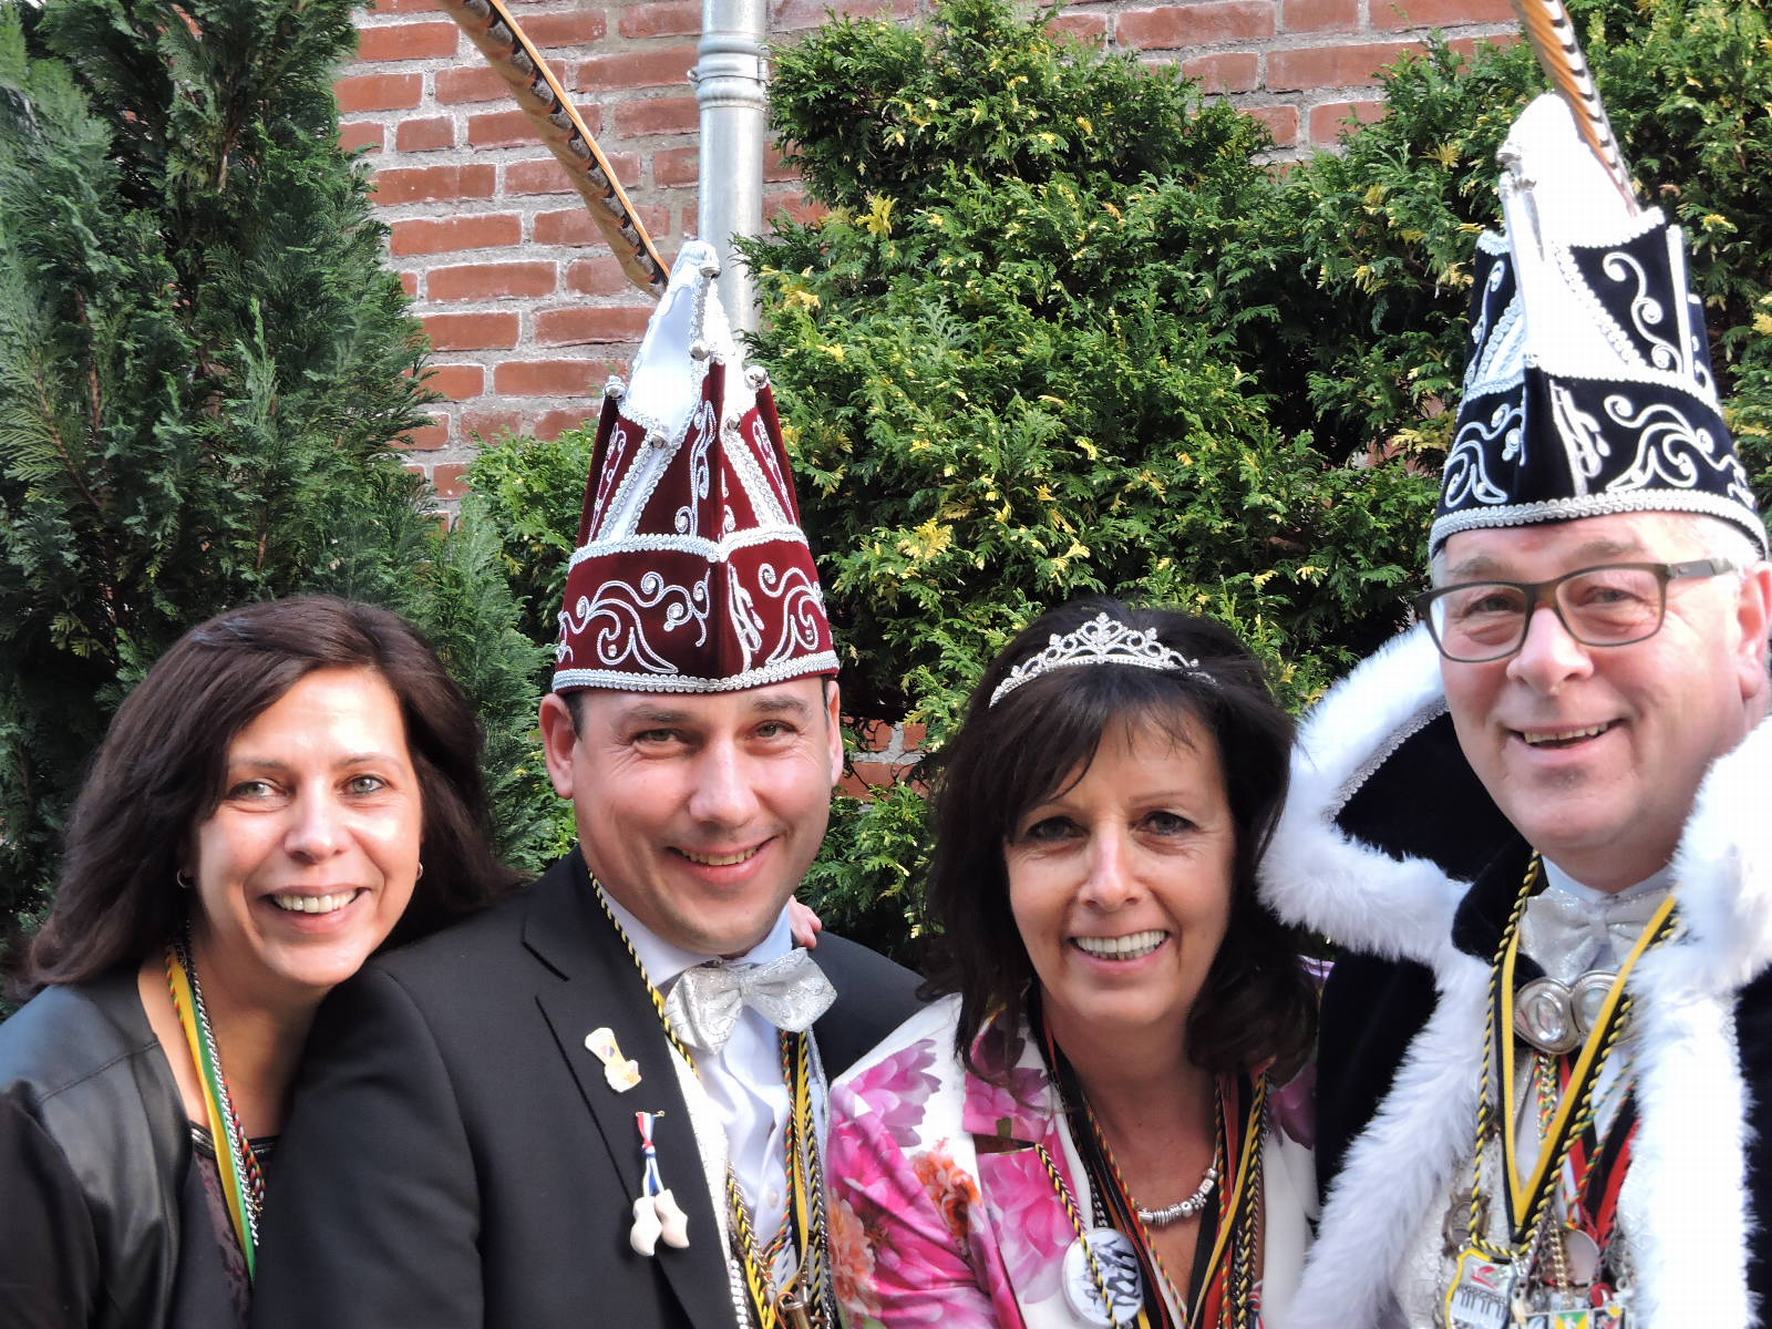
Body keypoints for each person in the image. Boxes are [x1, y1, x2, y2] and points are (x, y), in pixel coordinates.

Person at [249, 240, 922, 1329]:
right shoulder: (427, 1042)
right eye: (662, 737)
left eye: (771, 730)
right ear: (562, 744)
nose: (726, 800)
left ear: (835, 734)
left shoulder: (901, 1022)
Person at [1258, 83, 1772, 1327]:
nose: (1542, 661)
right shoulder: (1401, 974)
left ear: (1748, 625)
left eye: (1610, 596)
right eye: (1487, 604)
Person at [0, 596, 519, 1329]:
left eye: (364, 784)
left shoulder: (481, 1046)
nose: (317, 838)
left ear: (426, 818)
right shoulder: (42, 1121)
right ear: (179, 831)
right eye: (256, 788)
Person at [828, 597, 1319, 1329]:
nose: (1110, 885)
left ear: (1244, 848)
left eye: (1165, 822)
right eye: (1054, 828)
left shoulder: (1366, 1042)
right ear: (997, 865)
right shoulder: (898, 1137)